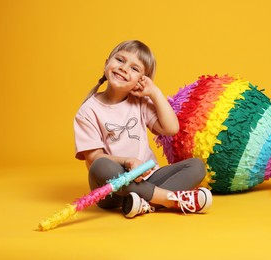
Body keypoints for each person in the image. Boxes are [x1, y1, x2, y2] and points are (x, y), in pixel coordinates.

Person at [73, 40, 212, 218]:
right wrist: (127, 161)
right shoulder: (88, 111)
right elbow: (94, 158)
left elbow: (171, 128)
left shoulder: (140, 103)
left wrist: (154, 93)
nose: (124, 68)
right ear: (107, 63)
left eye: (134, 68)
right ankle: (169, 200)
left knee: (197, 166)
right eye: (120, 60)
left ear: (142, 81)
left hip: (147, 178)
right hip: (112, 187)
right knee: (100, 166)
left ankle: (141, 204)